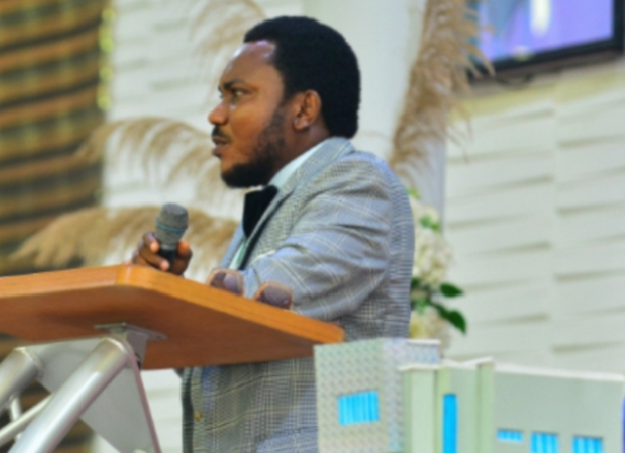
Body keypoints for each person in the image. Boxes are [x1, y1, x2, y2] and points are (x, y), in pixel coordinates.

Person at [131, 16, 414, 453]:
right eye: (221, 96)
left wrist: (182, 303)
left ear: (304, 110)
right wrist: (164, 297)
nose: (216, 114)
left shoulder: (359, 182)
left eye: (238, 94)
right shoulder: (270, 207)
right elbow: (217, 366)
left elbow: (276, 293)